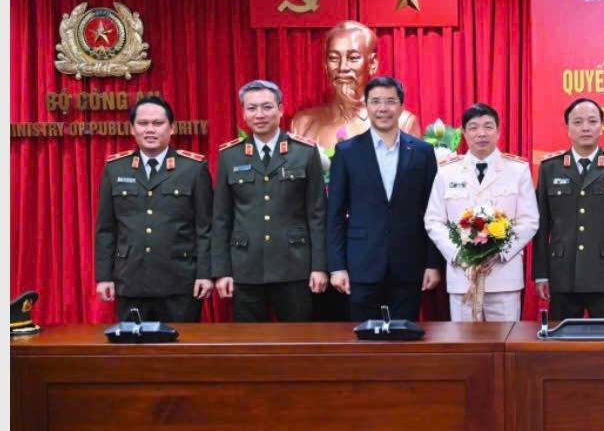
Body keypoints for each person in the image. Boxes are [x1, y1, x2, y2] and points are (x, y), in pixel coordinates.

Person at [325, 76, 443, 321]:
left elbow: (434, 212)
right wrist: (337, 266)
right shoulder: (347, 152)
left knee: (405, 338)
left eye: (390, 101)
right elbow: (334, 214)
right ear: (366, 106)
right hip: (361, 265)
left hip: (409, 265)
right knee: (362, 343)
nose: (383, 108)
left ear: (401, 106)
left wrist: (433, 263)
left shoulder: (422, 152)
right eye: (376, 101)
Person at [212, 80, 327, 322]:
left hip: (294, 267)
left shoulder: (304, 152)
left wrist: (319, 267)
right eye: (252, 108)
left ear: (281, 109)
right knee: (250, 348)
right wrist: (221, 272)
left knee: (298, 344)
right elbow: (221, 218)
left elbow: (317, 214)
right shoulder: (229, 156)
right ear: (243, 112)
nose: (259, 114)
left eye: (267, 107)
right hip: (245, 268)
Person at [94, 96, 213, 322]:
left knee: (180, 352)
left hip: (179, 281)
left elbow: (205, 228)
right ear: (132, 129)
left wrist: (205, 275)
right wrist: (104, 277)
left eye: (158, 123)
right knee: (132, 351)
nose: (150, 129)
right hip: (131, 280)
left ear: (171, 128)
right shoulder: (115, 169)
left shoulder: (193, 169)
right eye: (143, 123)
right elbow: (106, 229)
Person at [425, 103, 539, 321]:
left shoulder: (517, 170)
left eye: (488, 126)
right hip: (462, 276)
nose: (481, 133)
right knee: (465, 348)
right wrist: (459, 255)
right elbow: (433, 220)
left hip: (503, 276)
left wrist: (500, 252)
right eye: (474, 127)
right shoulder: (447, 171)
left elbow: (529, 220)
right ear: (464, 133)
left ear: (498, 131)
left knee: (505, 344)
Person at [533, 97, 604, 320]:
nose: (586, 128)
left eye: (592, 121)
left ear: (602, 126)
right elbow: (541, 227)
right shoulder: (550, 168)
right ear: (568, 128)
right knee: (562, 348)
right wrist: (541, 274)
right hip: (562, 276)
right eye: (578, 122)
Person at [290, 20, 419, 155]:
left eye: (353, 58)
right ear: (325, 65)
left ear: (372, 63)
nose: (342, 68)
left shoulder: (402, 123)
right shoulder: (303, 124)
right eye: (333, 58)